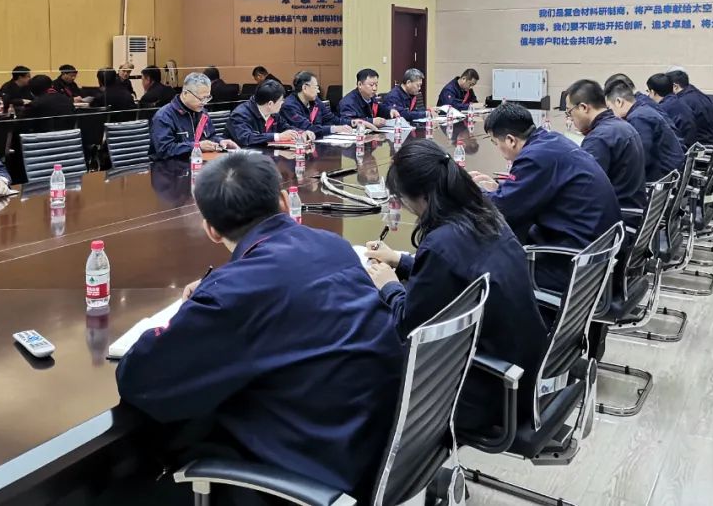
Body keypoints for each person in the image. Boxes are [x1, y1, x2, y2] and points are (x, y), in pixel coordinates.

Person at [115, 152, 402, 504]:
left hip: (313, 469)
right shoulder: (333, 245)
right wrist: (217, 292)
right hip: (372, 443)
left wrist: (208, 300)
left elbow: (140, 379)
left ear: (211, 229)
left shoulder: (234, 293)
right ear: (283, 201)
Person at [364, 138, 547, 431]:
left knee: (367, 354)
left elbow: (409, 329)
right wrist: (400, 260)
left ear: (419, 196)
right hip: (524, 374)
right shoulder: (485, 215)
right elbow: (458, 268)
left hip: (489, 390)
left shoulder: (440, 243)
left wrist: (389, 286)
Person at [469, 103, 621, 292]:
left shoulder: (534, 158)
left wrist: (472, 190)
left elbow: (503, 210)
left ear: (510, 140)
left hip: (575, 264)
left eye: (495, 143)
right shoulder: (551, 141)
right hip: (595, 253)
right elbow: (524, 192)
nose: (498, 149)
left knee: (484, 271)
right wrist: (499, 189)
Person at [565, 79, 647, 210]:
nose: (570, 118)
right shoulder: (624, 126)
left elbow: (583, 190)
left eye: (569, 112)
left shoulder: (598, 139)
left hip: (617, 215)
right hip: (632, 208)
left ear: (583, 107)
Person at [605, 79, 685, 182]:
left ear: (619, 102)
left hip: (663, 177)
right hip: (671, 172)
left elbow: (642, 158)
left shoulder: (638, 118)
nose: (610, 112)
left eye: (609, 107)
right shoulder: (643, 109)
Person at [151, 72, 238, 159]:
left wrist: (220, 142)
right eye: (201, 98)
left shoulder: (202, 112)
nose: (204, 102)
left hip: (198, 161)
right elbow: (164, 150)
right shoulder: (164, 116)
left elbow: (210, 136)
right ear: (185, 94)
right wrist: (196, 146)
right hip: (171, 165)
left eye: (207, 98)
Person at [280, 71, 355, 137]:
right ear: (305, 88)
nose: (318, 91)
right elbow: (307, 128)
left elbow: (331, 119)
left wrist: (352, 122)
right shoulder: (289, 106)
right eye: (316, 87)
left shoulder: (315, 101)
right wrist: (334, 129)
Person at [228, 80, 300, 148]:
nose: (283, 103)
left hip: (265, 153)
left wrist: (300, 133)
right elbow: (246, 138)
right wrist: (277, 137)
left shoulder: (273, 113)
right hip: (242, 154)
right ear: (270, 104)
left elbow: (285, 127)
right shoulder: (240, 114)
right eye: (281, 100)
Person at [666, 69, 713, 145]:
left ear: (675, 86)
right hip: (711, 140)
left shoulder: (682, 102)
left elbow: (686, 132)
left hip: (700, 144)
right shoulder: (699, 94)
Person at [646, 73, 698, 149]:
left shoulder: (661, 110)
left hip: (680, 150)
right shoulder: (679, 102)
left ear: (653, 92)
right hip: (688, 147)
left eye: (648, 91)